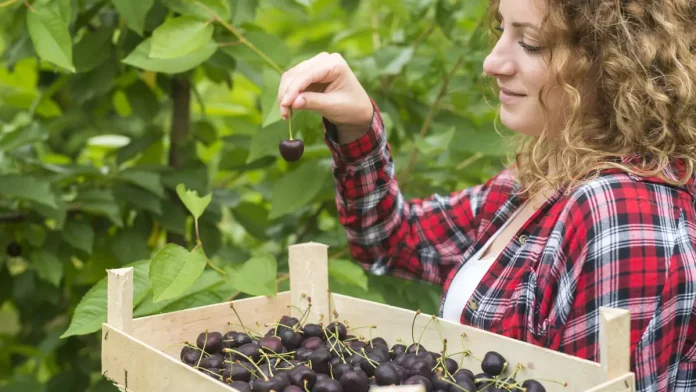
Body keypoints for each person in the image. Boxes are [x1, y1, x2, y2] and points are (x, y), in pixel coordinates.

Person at [276, 0, 696, 390]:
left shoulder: (618, 211)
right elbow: (392, 242)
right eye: (500, 30)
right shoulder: (536, 177)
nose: (492, 61)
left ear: (609, 60)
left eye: (530, 43)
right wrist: (357, 124)